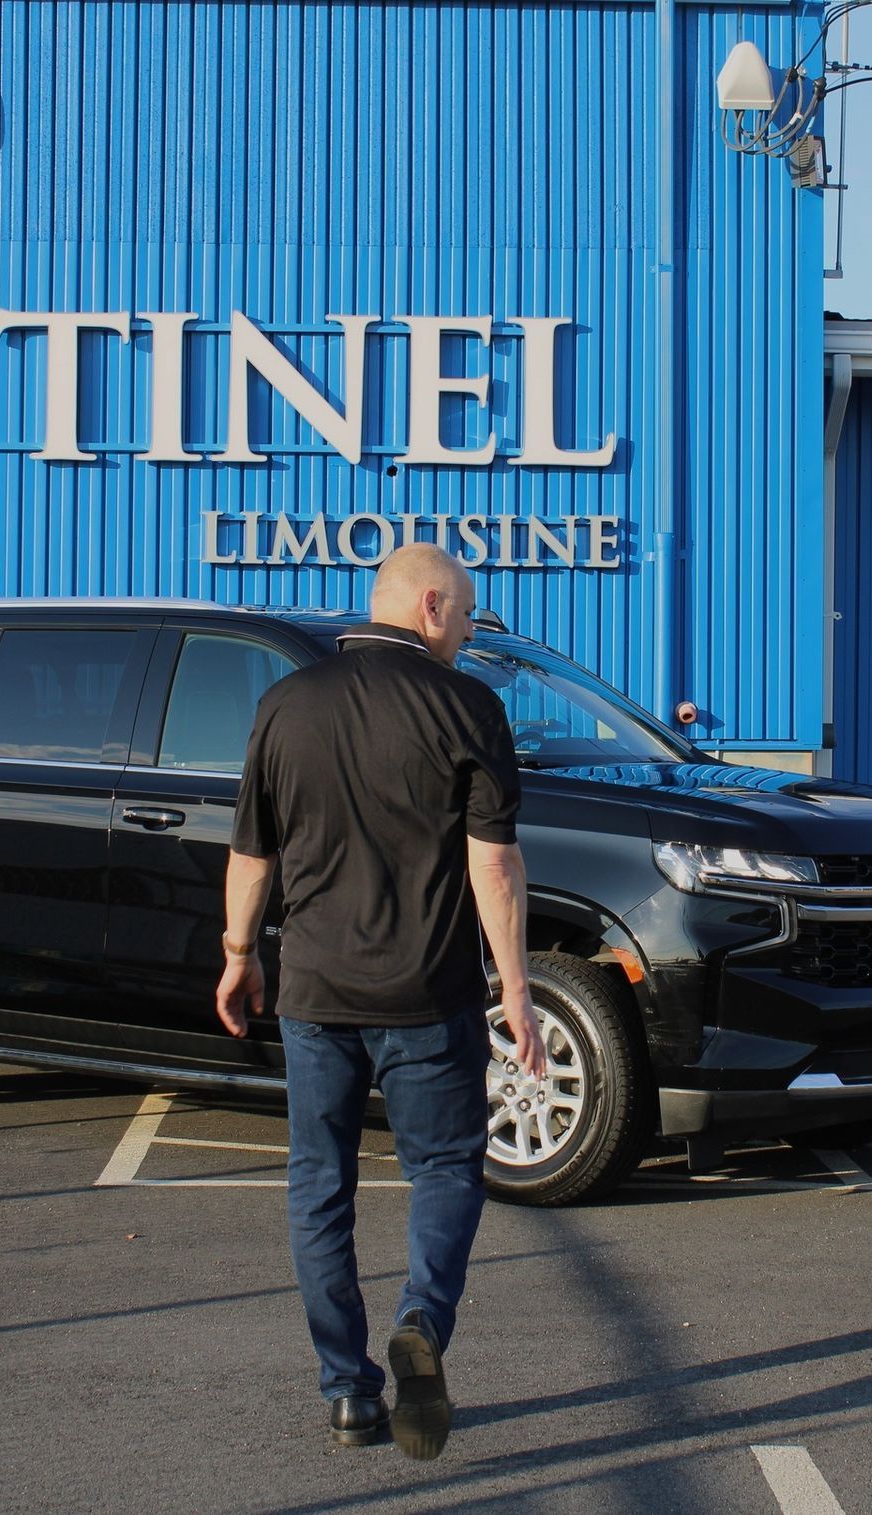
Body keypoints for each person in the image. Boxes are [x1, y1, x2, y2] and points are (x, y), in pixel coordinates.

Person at [214, 543, 547, 1460]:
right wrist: (516, 990)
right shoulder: (470, 707)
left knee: (320, 1184)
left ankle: (349, 1392)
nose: (472, 631)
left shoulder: (286, 704)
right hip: (428, 996)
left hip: (315, 991)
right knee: (444, 1168)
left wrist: (239, 954)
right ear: (431, 606)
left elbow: (253, 854)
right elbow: (495, 865)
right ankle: (422, 1322)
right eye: (470, 614)